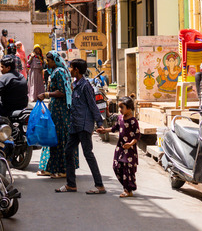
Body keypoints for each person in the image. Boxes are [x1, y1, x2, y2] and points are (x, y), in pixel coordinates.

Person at [56, 58, 106, 194]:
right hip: (75, 124)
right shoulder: (76, 84)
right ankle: (71, 185)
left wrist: (99, 123)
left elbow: (92, 105)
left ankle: (99, 185)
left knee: (88, 154)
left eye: (71, 68)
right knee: (68, 151)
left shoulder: (86, 86)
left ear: (76, 70)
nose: (69, 70)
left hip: (84, 125)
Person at [36, 51, 78, 179]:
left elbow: (63, 92)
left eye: (49, 61)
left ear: (55, 60)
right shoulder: (56, 72)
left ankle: (64, 169)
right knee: (53, 137)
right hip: (56, 110)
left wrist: (47, 95)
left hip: (61, 111)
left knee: (60, 138)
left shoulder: (60, 72)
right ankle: (51, 167)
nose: (47, 63)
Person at [97, 96, 141, 197]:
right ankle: (127, 187)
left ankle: (128, 190)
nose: (120, 110)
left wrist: (130, 144)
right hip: (120, 148)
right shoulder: (120, 118)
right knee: (116, 167)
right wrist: (104, 130)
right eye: (119, 107)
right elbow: (115, 128)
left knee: (128, 170)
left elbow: (137, 135)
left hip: (129, 150)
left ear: (129, 108)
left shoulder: (133, 121)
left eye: (122, 107)